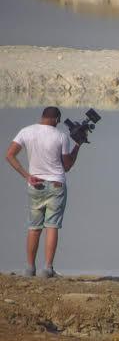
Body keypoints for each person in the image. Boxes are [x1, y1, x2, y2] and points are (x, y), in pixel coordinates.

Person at [5, 107, 81, 277]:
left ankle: (29, 268)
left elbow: (10, 155)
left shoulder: (26, 131)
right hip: (56, 185)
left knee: (34, 227)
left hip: (35, 184)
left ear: (42, 117)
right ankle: (47, 269)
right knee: (52, 226)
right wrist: (78, 145)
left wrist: (27, 176)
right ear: (57, 119)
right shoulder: (61, 136)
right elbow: (67, 166)